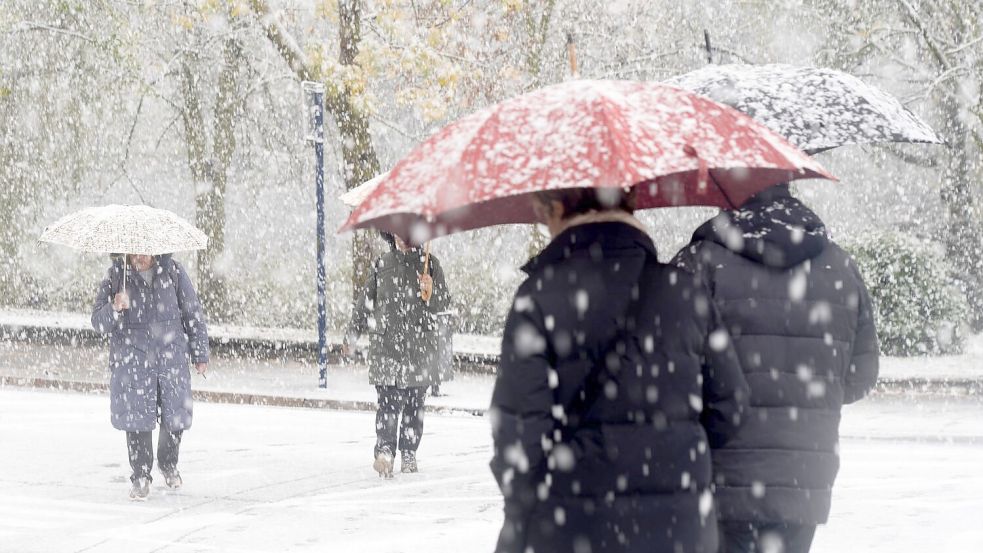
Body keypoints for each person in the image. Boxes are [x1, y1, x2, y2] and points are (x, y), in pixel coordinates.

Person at [490, 188, 749, 553]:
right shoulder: (685, 292)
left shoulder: (538, 297)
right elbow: (730, 405)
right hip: (680, 531)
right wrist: (675, 454)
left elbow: (518, 437)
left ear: (560, 206)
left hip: (572, 528)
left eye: (542, 210)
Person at [672, 183, 880, 553]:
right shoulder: (840, 267)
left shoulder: (702, 262)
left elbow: (673, 369)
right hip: (805, 478)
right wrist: (810, 394)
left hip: (723, 476)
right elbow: (861, 376)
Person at [91, 253, 208, 501]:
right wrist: (114, 307)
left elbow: (192, 314)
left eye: (146, 250)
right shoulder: (116, 277)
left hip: (170, 359)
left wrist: (200, 353)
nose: (140, 256)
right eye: (135, 250)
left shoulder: (173, 273)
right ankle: (141, 475)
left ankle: (168, 463)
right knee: (137, 422)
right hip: (134, 361)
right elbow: (98, 322)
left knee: (174, 417)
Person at [344, 232, 451, 478]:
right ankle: (384, 451)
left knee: (414, 404)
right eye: (398, 231)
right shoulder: (382, 264)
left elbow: (443, 306)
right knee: (388, 404)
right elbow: (365, 303)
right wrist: (351, 335)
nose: (404, 236)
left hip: (419, 349)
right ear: (391, 234)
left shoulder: (430, 265)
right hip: (386, 348)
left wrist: (430, 291)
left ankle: (409, 451)